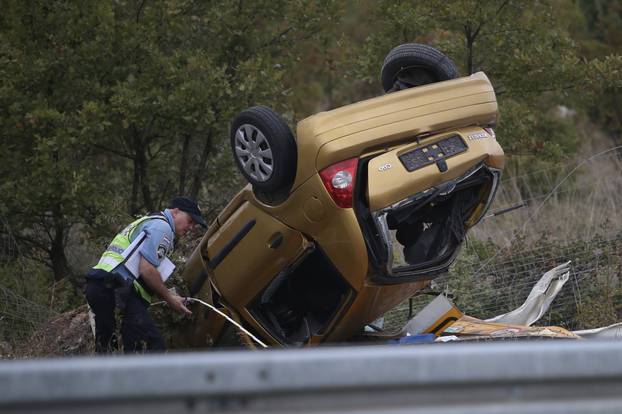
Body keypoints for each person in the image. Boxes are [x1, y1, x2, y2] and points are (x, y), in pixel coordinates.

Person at [85, 197, 207, 353]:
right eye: (190, 221)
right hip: (116, 287)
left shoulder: (151, 219)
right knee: (152, 347)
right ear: (175, 212)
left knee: (109, 349)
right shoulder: (163, 228)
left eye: (194, 225)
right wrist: (169, 299)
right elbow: (147, 269)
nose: (191, 227)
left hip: (101, 285)